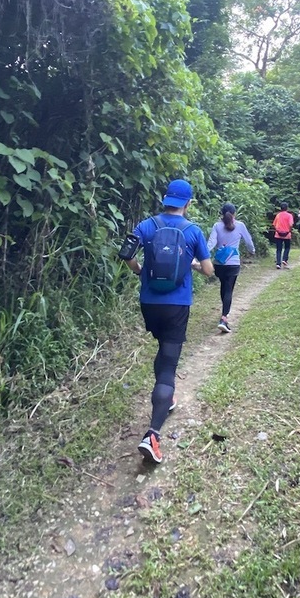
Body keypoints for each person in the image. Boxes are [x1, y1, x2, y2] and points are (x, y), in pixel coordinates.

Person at [125, 179, 213, 464]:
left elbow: (126, 253)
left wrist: (139, 270)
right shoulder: (192, 231)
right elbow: (209, 271)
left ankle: (167, 399)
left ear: (166, 200)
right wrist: (193, 264)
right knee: (169, 363)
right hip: (177, 304)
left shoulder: (146, 225)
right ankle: (152, 434)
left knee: (162, 349)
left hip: (149, 303)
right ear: (187, 203)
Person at [207, 203, 256, 333]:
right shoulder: (240, 225)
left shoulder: (217, 226)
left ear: (222, 213)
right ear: (234, 213)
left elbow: (211, 243)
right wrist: (252, 250)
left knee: (224, 286)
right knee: (229, 289)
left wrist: (204, 255)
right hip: (233, 263)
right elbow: (248, 240)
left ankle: (225, 312)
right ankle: (224, 318)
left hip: (219, 263)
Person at [272, 202, 295, 270]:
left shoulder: (278, 215)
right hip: (287, 234)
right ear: (287, 208)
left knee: (278, 249)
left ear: (280, 208)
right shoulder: (289, 215)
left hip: (278, 234)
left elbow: (274, 224)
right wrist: (289, 230)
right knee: (287, 248)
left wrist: (278, 230)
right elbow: (291, 224)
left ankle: (278, 264)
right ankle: (284, 259)